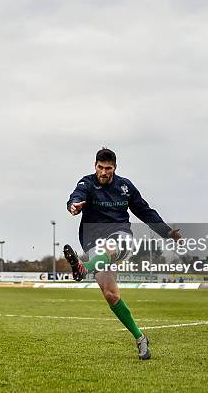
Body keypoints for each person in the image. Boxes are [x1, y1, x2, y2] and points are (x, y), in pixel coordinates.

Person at [64, 147, 182, 360]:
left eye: (108, 168)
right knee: (111, 294)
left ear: (114, 168)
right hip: (93, 242)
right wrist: (74, 206)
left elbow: (145, 211)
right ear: (95, 166)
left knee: (110, 248)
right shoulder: (87, 183)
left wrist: (167, 232)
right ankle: (140, 338)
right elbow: (76, 196)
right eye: (100, 167)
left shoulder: (125, 187)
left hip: (120, 236)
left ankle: (83, 269)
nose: (103, 172)